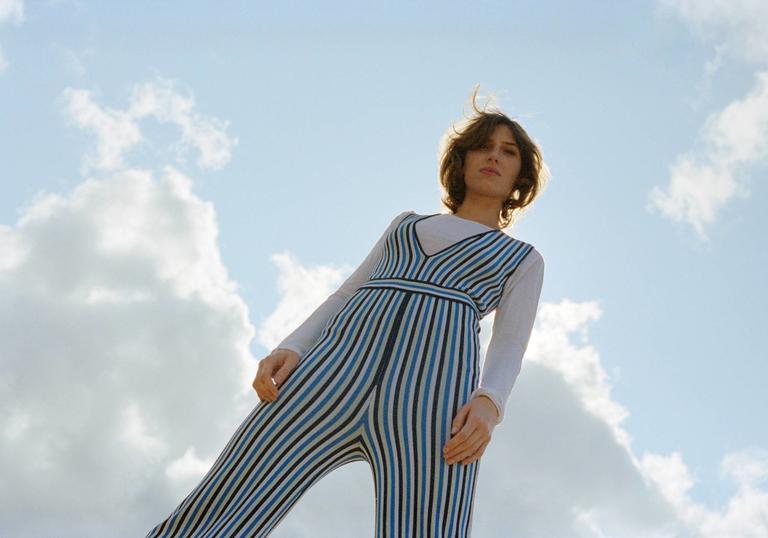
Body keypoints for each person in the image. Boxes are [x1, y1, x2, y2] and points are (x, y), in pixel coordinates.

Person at [145, 87, 548, 537]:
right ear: (462, 160)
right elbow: (346, 293)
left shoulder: (522, 259)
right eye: (483, 147)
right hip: (330, 374)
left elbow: (510, 344)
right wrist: (293, 346)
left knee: (429, 527)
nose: (493, 157)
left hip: (431, 400)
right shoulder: (406, 225)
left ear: (520, 176)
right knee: (231, 495)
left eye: (507, 152)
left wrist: (489, 405)